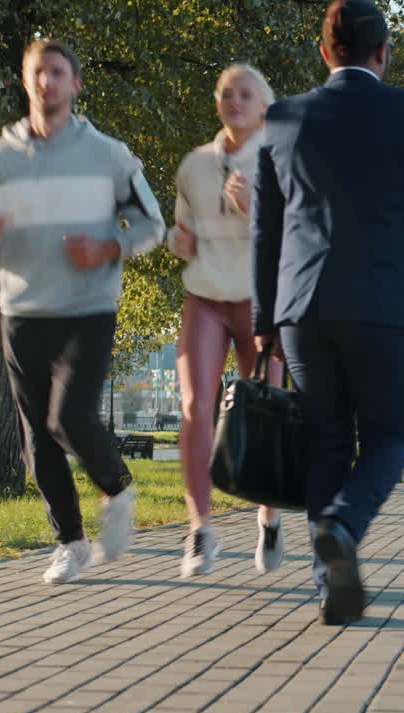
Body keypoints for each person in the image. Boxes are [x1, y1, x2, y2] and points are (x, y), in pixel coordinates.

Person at [252, 0, 404, 625]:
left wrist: (265, 318)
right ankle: (342, 526)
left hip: (302, 311)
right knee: (392, 437)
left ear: (324, 52)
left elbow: (266, 232)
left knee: (325, 442)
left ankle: (327, 582)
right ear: (383, 50)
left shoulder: (283, 118)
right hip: (382, 306)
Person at [0, 39, 165, 583]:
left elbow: (152, 225)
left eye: (57, 72)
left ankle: (117, 488)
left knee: (69, 418)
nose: (47, 82)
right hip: (21, 309)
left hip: (89, 307)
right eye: (37, 73)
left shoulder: (110, 156)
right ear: (26, 82)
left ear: (75, 83)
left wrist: (108, 248)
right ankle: (70, 543)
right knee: (37, 437)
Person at [168, 64, 285, 578]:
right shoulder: (193, 164)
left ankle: (269, 516)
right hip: (206, 294)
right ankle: (200, 531)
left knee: (267, 414)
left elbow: (299, 235)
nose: (235, 101)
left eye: (245, 94)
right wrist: (180, 240)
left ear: (265, 106)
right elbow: (180, 228)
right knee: (196, 407)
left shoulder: (284, 159)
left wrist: (254, 206)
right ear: (217, 103)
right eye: (226, 94)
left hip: (262, 301)